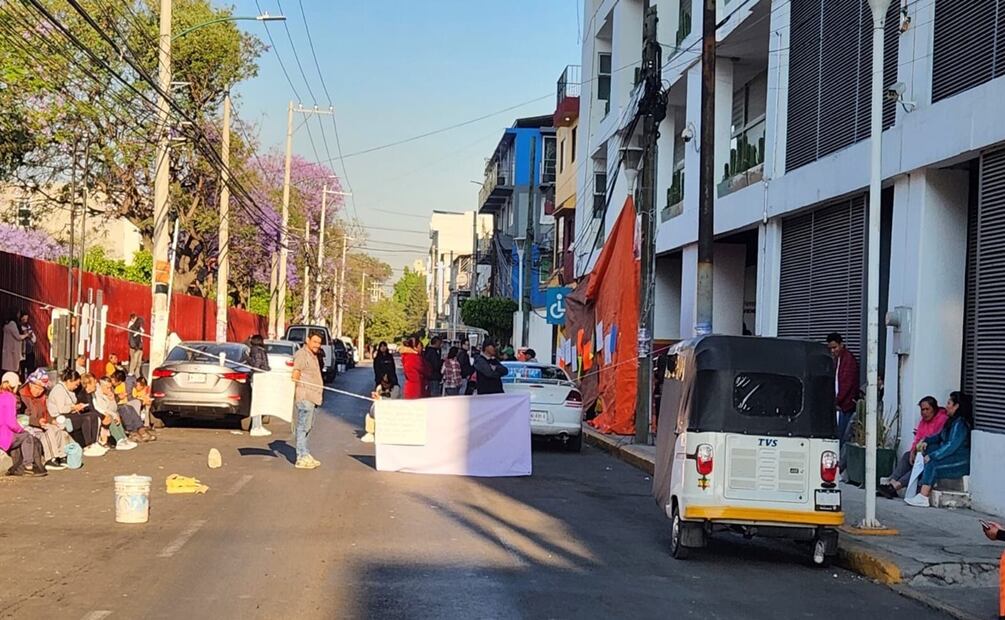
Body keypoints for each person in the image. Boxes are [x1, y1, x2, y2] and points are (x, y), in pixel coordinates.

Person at [905, 391, 973, 508]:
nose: (946, 406)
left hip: (959, 461)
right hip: (950, 457)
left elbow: (951, 446)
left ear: (956, 406)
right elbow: (938, 436)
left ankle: (923, 496)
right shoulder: (951, 422)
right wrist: (926, 440)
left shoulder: (960, 424)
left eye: (949, 403)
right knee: (928, 450)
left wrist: (933, 456)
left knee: (932, 464)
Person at [878, 396, 949, 499]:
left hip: (933, 453)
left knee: (920, 465)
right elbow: (918, 438)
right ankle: (891, 483)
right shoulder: (923, 422)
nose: (924, 412)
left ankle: (895, 486)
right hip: (921, 452)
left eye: (927, 409)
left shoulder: (942, 420)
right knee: (907, 456)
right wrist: (912, 451)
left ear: (934, 409)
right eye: (922, 410)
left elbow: (938, 438)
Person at [19, 369, 73, 470]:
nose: (38, 391)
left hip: (40, 423)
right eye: (36, 387)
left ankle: (61, 456)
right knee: (48, 432)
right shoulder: (21, 396)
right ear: (30, 384)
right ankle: (51, 459)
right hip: (27, 426)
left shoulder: (42, 397)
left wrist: (52, 420)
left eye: (41, 389)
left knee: (58, 429)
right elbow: (19, 417)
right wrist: (37, 422)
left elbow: (46, 413)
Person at [50, 371, 105, 456]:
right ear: (69, 381)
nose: (76, 387)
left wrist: (77, 407)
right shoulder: (59, 390)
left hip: (70, 414)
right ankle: (88, 445)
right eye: (76, 384)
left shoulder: (69, 390)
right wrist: (74, 407)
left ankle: (94, 442)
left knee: (93, 415)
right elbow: (62, 409)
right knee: (86, 418)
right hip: (60, 418)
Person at [1, 372, 46, 476]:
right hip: (5, 436)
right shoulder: (10, 398)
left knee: (20, 438)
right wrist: (21, 430)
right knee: (27, 436)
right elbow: (11, 423)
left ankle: (17, 466)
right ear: (14, 385)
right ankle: (28, 466)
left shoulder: (1, 395)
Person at [291, 331, 324, 469]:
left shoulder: (313, 355)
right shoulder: (301, 354)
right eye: (314, 342)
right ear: (307, 340)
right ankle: (301, 457)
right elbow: (295, 373)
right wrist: (296, 391)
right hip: (305, 396)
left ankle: (305, 452)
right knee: (303, 427)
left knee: (308, 426)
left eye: (319, 343)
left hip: (313, 397)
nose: (317, 345)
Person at [827, 333, 859, 451]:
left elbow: (847, 384)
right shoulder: (838, 359)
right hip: (840, 404)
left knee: (842, 436)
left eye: (834, 347)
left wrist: (836, 401)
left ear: (841, 345)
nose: (832, 351)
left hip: (845, 406)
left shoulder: (848, 360)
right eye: (830, 348)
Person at [92, 377, 139, 450]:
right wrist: (114, 415)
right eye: (107, 388)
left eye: (110, 387)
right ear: (101, 386)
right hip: (101, 413)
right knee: (111, 417)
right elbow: (103, 409)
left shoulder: (108, 393)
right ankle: (119, 440)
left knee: (116, 415)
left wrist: (112, 400)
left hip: (109, 412)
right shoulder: (97, 394)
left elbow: (114, 408)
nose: (109, 390)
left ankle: (124, 437)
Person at [362, 373, 401, 444]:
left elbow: (392, 401)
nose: (385, 384)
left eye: (387, 383)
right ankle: (370, 433)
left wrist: (380, 398)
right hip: (381, 408)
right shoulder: (379, 387)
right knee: (370, 414)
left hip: (393, 409)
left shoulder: (396, 388)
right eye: (383, 382)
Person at [247, 334, 272, 438]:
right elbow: (256, 365)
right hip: (258, 378)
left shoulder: (257, 350)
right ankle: (255, 427)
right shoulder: (257, 350)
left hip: (259, 377)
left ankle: (258, 426)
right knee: (257, 404)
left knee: (259, 404)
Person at [2, 311, 34, 375]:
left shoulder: (7, 324)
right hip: (13, 351)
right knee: (13, 369)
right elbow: (18, 337)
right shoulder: (12, 324)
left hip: (10, 350)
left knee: (10, 369)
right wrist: (27, 334)